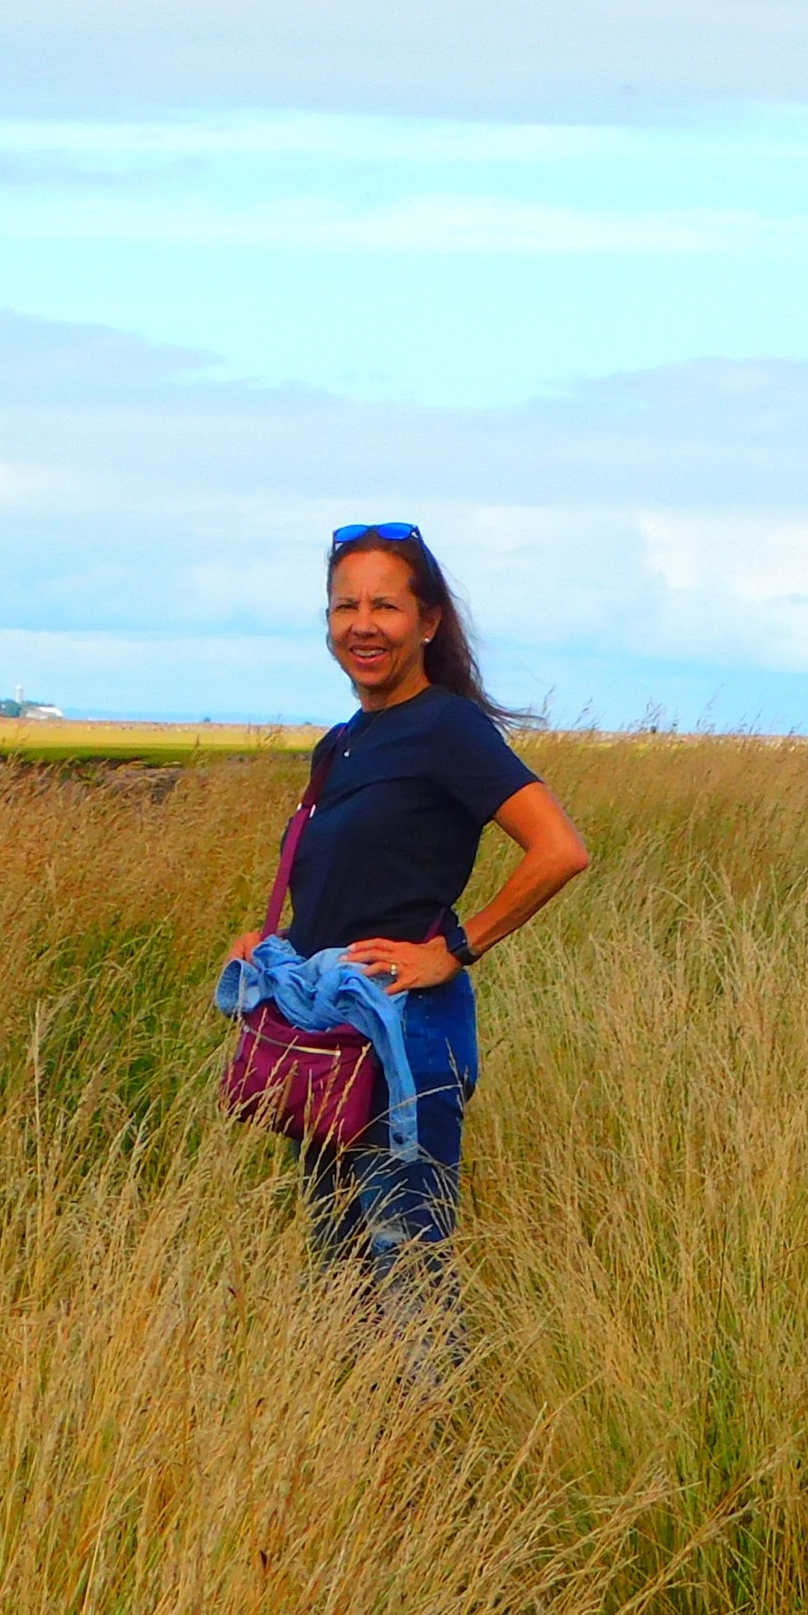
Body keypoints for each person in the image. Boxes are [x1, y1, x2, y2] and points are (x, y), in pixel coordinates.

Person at [252, 521, 588, 1312]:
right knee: (337, 1279)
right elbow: (349, 880)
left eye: (385, 607)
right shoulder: (341, 744)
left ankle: (436, 1430)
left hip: (405, 1040)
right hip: (328, 1038)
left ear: (428, 622)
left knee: (409, 1278)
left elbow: (559, 849)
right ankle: (358, 1435)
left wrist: (454, 948)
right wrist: (272, 942)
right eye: (345, 608)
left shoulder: (448, 728)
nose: (362, 625)